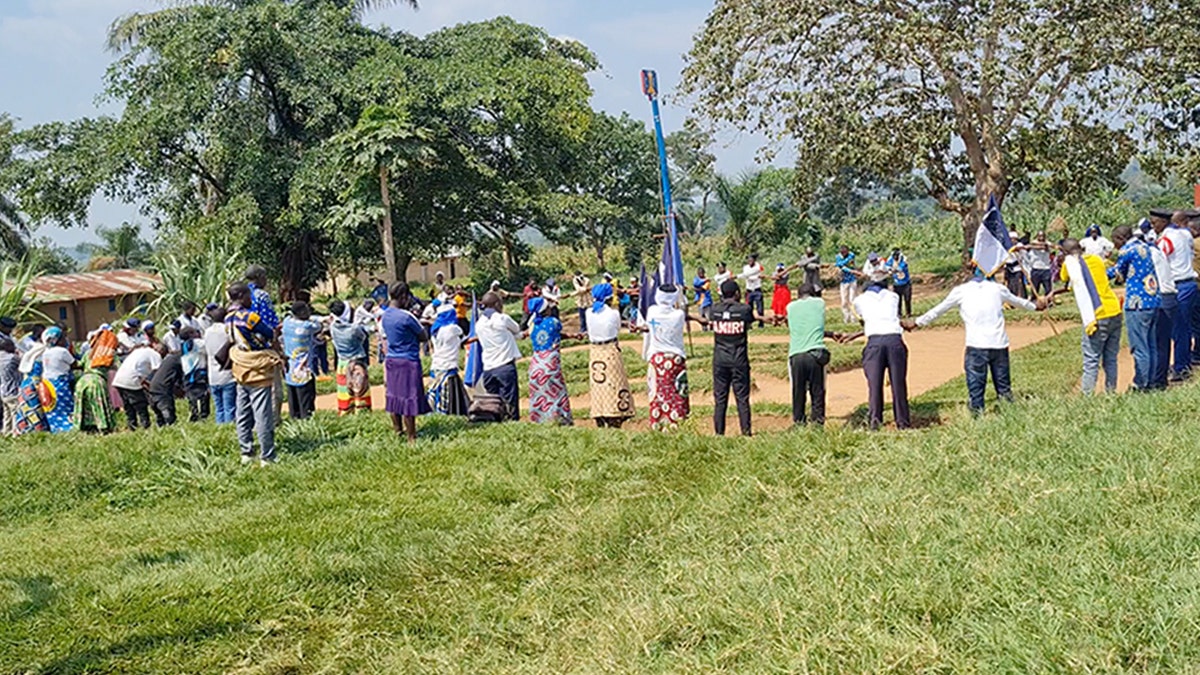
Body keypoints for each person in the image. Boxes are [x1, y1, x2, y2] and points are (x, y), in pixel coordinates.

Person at [907, 268, 1042, 415]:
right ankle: (1008, 412)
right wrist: (1036, 306)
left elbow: (939, 310)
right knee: (1003, 386)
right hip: (999, 344)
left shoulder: (960, 291)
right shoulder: (998, 289)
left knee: (976, 385)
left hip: (977, 345)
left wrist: (917, 322)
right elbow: (1019, 302)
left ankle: (978, 413)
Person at [1054, 238, 1123, 394]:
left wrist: (1063, 261)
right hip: (1114, 309)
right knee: (1111, 358)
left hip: (1096, 314)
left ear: (1065, 253)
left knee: (1091, 359)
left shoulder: (1070, 264)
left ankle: (1087, 395)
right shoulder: (1097, 259)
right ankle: (1111, 392)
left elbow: (1064, 278)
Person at [226, 282, 282, 465]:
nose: (251, 299)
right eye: (249, 296)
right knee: (263, 413)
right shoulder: (249, 317)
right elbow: (269, 333)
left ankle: (246, 452)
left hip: (240, 366)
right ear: (242, 296)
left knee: (242, 412)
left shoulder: (228, 318)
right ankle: (267, 456)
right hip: (257, 368)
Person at [845, 277, 910, 430]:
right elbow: (888, 318)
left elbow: (866, 321)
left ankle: (875, 421)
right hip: (895, 340)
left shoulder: (858, 300)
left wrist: (854, 335)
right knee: (898, 384)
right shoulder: (894, 296)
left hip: (874, 343)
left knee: (874, 385)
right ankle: (902, 422)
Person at [705, 279, 761, 436]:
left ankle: (719, 433)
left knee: (720, 398)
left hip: (720, 360)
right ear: (737, 293)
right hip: (739, 359)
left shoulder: (714, 310)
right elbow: (750, 321)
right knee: (742, 397)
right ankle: (746, 432)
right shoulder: (744, 309)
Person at [1108, 225, 1161, 391]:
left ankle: (1141, 383)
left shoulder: (1127, 250)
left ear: (1121, 238)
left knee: (1139, 346)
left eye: (1115, 241)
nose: (1115, 246)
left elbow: (1117, 271)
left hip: (1137, 302)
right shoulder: (1145, 246)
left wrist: (1096, 274)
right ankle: (1151, 381)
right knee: (1151, 345)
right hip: (1153, 299)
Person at [785, 283, 844, 426]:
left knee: (798, 392)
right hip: (815, 354)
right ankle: (817, 423)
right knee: (817, 392)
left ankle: (799, 422)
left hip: (796, 355)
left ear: (798, 295)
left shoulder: (790, 307)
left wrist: (829, 334)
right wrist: (831, 334)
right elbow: (814, 328)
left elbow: (804, 328)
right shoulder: (819, 303)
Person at [381, 282, 431, 442]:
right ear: (404, 296)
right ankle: (411, 437)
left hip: (392, 360)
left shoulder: (385, 315)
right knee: (409, 398)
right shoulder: (407, 317)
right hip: (408, 361)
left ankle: (398, 431)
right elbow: (423, 336)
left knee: (394, 397)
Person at [640, 284, 693, 430]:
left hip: (657, 358)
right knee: (677, 393)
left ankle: (658, 423)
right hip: (675, 358)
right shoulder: (679, 315)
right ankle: (678, 423)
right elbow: (681, 309)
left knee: (657, 392)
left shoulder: (652, 311)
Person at [1155, 211, 1198, 378]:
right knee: (1184, 327)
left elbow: (1159, 261)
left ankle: (1180, 368)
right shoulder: (1185, 234)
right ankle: (1183, 364)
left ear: (1164, 222)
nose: (1153, 226)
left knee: (1176, 329)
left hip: (1178, 286)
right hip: (1189, 284)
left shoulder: (1166, 240)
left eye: (1155, 223)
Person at [586, 283, 635, 428]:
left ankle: (599, 414)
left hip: (595, 352)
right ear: (609, 298)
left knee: (598, 384)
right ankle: (614, 413)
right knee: (614, 383)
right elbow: (616, 328)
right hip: (610, 350)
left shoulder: (588, 313)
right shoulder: (614, 313)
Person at [474, 291, 524, 421]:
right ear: (496, 304)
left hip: (488, 368)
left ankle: (497, 423)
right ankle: (512, 423)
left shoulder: (479, 324)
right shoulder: (502, 319)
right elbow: (516, 329)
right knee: (509, 400)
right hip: (505, 366)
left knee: (494, 402)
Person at [527, 296, 577, 425]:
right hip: (550, 363)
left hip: (536, 364)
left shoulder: (532, 325)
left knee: (539, 394)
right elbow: (555, 333)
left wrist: (571, 336)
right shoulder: (554, 322)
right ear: (546, 310)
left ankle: (540, 420)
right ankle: (561, 420)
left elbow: (553, 335)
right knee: (556, 393)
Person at [327, 300, 372, 415]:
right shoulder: (354, 328)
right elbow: (362, 338)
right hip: (357, 362)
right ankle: (361, 413)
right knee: (360, 389)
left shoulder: (333, 327)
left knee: (345, 390)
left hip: (342, 363)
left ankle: (345, 412)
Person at [73, 324, 119, 434]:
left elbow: (79, 365)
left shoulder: (88, 353)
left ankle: (85, 427)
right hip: (96, 381)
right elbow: (118, 367)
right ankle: (104, 428)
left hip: (82, 381)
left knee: (84, 405)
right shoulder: (109, 354)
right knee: (100, 405)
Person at [427, 302, 470, 416]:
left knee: (435, 391)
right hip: (448, 365)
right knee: (448, 396)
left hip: (436, 365)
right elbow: (465, 337)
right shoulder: (453, 329)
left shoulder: (435, 330)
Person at [1147, 226, 1177, 390]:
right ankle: (1160, 379)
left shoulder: (1149, 255)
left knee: (1156, 342)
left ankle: (1155, 380)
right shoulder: (1158, 251)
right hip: (1169, 296)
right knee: (1163, 342)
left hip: (1162, 297)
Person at [281, 301, 322, 421]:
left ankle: (294, 421)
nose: (309, 312)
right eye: (307, 310)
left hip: (290, 369)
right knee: (306, 401)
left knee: (293, 400)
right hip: (304, 370)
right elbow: (319, 326)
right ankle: (306, 423)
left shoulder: (287, 322)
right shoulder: (307, 327)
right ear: (302, 312)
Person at [112, 345, 162, 431]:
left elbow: (137, 369)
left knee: (129, 407)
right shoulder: (155, 354)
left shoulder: (139, 351)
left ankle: (132, 426)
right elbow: (158, 371)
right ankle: (145, 427)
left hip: (119, 379)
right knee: (141, 405)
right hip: (131, 379)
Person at [39, 327, 77, 433]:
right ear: (57, 340)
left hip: (47, 383)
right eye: (63, 338)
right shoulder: (62, 351)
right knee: (65, 405)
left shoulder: (46, 352)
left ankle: (55, 427)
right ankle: (67, 427)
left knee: (52, 407)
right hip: (60, 383)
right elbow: (74, 364)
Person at [204, 306, 236, 424]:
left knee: (219, 409)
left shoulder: (207, 332)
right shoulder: (227, 330)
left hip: (213, 376)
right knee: (229, 408)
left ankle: (220, 428)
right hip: (227, 375)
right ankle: (229, 429)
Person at [12, 335, 49, 435]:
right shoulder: (40, 360)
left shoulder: (31, 363)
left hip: (25, 387)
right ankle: (38, 431)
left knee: (25, 410)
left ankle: (24, 431)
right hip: (35, 387)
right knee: (35, 410)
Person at [148, 347, 185, 427]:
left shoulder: (170, 359)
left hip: (153, 388)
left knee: (160, 419)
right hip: (162, 390)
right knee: (169, 418)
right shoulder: (179, 360)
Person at [180, 327, 210, 421]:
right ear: (190, 334)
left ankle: (194, 414)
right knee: (202, 396)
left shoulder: (184, 345)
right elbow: (209, 348)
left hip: (188, 374)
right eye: (195, 332)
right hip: (198, 373)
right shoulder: (197, 343)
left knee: (192, 396)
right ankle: (203, 416)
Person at [739, 254, 766, 327]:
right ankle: (749, 323)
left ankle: (761, 323)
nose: (750, 261)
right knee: (748, 308)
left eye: (751, 260)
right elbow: (746, 275)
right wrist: (754, 277)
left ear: (754, 260)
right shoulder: (745, 268)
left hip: (757, 289)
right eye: (748, 260)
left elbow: (752, 275)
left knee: (760, 308)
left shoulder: (758, 266)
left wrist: (756, 276)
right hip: (749, 290)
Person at [1025, 232, 1054, 297]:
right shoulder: (1033, 243)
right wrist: (1039, 246)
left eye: (1043, 236)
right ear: (1037, 236)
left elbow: (1052, 246)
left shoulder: (1047, 243)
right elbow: (1030, 245)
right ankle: (1034, 300)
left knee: (1048, 289)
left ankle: (1049, 300)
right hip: (1036, 268)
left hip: (1045, 269)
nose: (1041, 238)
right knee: (1035, 289)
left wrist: (1045, 245)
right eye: (1040, 236)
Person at [0, 339, 18, 435]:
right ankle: (15, 432)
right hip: (13, 390)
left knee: (6, 413)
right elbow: (24, 364)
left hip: (3, 391)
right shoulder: (12, 358)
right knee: (15, 412)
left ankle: (6, 432)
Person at [888, 248, 913, 317]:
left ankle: (908, 313)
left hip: (906, 282)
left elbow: (901, 268)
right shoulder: (890, 259)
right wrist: (889, 270)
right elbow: (886, 266)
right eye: (894, 256)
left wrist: (892, 270)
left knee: (907, 299)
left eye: (896, 255)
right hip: (896, 283)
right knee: (898, 300)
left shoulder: (904, 259)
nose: (895, 257)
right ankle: (899, 313)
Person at [835, 246, 858, 323]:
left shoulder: (851, 255)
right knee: (844, 301)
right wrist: (852, 271)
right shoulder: (838, 257)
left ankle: (853, 317)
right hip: (843, 281)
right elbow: (841, 266)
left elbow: (842, 264)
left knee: (852, 299)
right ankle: (846, 317)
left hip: (852, 279)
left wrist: (843, 263)